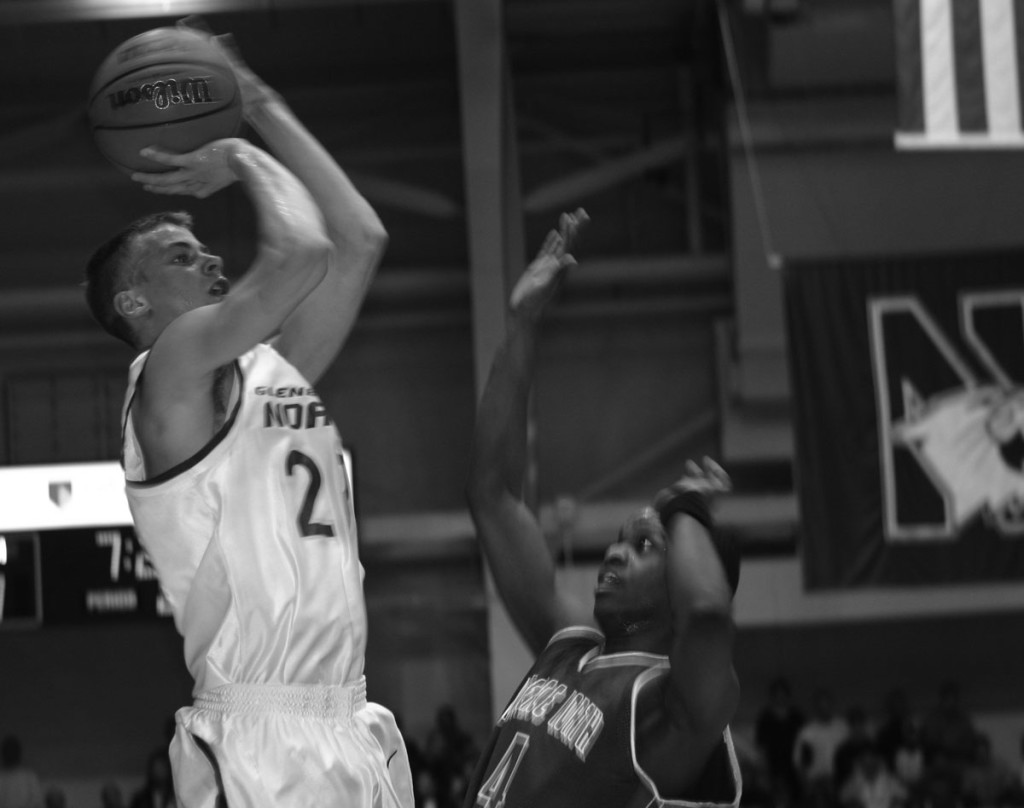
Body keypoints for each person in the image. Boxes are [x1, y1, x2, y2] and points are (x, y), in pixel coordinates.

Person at [82, 21, 411, 808]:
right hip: (260, 739)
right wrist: (234, 156)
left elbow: (358, 238)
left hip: (350, 718)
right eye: (182, 256)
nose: (213, 261)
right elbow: (302, 253)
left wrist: (257, 100)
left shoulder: (267, 372)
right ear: (136, 301)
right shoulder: (165, 379)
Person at [463, 209, 742, 807]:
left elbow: (709, 616)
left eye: (643, 546)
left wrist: (683, 507)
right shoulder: (567, 647)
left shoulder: (673, 702)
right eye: (623, 538)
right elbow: (491, 495)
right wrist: (522, 324)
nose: (615, 550)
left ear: (681, 581)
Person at [756, 676, 806, 808]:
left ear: (787, 695)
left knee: (796, 799)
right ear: (772, 696)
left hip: (794, 767)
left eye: (783, 694)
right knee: (774, 799)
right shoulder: (765, 718)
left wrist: (802, 769)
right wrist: (764, 771)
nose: (780, 697)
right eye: (777, 694)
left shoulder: (797, 716)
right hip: (774, 766)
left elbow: (804, 744)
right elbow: (761, 747)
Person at [0, 735, 44, 808]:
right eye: (8, 752)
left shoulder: (30, 778)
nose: (10, 755)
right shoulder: (30, 778)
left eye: (12, 751)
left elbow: (37, 803)